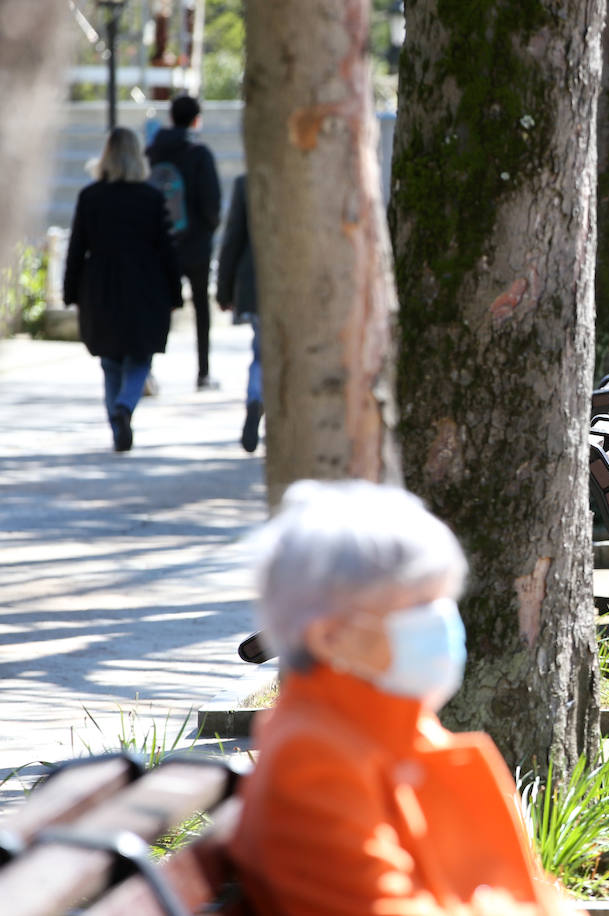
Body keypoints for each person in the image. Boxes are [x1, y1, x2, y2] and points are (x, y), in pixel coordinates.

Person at [230, 479, 577, 916]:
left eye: (442, 599)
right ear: (329, 635)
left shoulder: (382, 729)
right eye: (416, 605)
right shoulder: (313, 760)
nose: (441, 621)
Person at [63, 127, 182, 453]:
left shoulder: (90, 197)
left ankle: (116, 419)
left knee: (110, 361)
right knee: (139, 358)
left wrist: (71, 292)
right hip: (146, 287)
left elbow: (76, 250)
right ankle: (125, 406)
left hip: (100, 287)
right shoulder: (152, 198)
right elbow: (166, 250)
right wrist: (175, 293)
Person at [146, 94, 222, 390]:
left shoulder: (153, 152)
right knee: (201, 308)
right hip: (196, 244)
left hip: (160, 243)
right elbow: (211, 201)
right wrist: (208, 229)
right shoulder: (199, 153)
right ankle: (203, 373)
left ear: (171, 117)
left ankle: (147, 368)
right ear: (196, 119)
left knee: (158, 305)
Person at [216, 174, 263, 453]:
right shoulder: (313, 176)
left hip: (256, 282)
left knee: (262, 353)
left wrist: (224, 290)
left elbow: (233, 237)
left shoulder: (248, 182)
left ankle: (255, 398)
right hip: (301, 285)